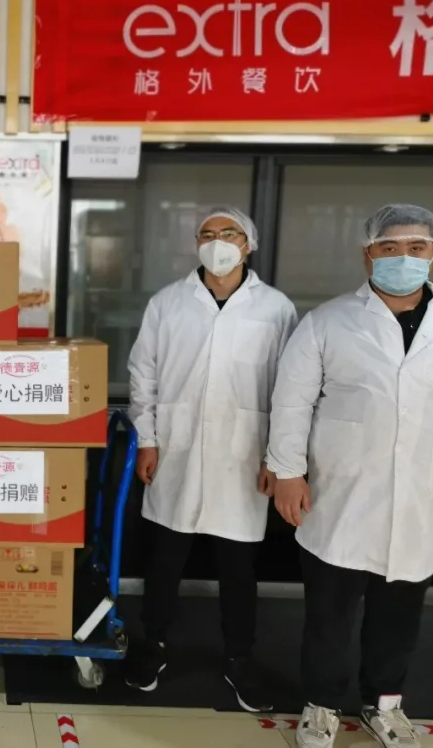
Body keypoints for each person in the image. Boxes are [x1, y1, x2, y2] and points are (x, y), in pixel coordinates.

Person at [267, 204, 433, 748]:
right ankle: (321, 704)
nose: (402, 257)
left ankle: (384, 705)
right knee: (329, 614)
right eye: (389, 247)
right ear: (368, 254)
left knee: (399, 614)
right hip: (340, 494)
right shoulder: (328, 321)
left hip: (418, 499)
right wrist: (287, 471)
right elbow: (291, 402)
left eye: (416, 247)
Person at [125, 207, 297, 712]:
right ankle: (153, 644)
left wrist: (278, 457)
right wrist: (148, 439)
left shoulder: (275, 308)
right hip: (174, 448)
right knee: (165, 557)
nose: (217, 241)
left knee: (238, 566)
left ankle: (239, 657)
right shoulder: (168, 303)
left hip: (243, 453)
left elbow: (291, 387)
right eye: (207, 233)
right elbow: (143, 374)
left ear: (249, 243)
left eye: (229, 233)